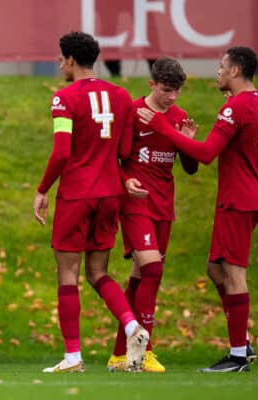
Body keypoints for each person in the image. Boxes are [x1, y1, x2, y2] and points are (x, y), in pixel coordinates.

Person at [137, 46, 258, 372]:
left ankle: (238, 355)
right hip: (254, 194)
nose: (217, 72)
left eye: (221, 67)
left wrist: (163, 128)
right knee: (215, 269)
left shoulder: (234, 109)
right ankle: (242, 340)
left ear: (234, 71)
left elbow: (205, 154)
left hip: (237, 199)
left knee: (233, 273)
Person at [33, 31, 149, 373]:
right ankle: (133, 327)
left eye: (60, 58)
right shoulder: (122, 96)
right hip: (111, 194)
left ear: (70, 60)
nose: (58, 64)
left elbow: (61, 153)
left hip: (77, 195)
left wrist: (42, 189)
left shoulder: (63, 99)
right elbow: (126, 150)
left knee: (67, 273)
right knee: (98, 272)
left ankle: (72, 358)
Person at [107, 57, 198, 373]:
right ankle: (142, 353)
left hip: (164, 206)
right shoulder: (132, 112)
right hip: (135, 204)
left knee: (141, 277)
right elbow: (114, 159)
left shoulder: (179, 116)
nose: (172, 97)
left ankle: (120, 354)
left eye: (177, 91)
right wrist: (125, 181)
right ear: (151, 85)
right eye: (165, 90)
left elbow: (190, 167)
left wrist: (187, 141)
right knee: (153, 271)